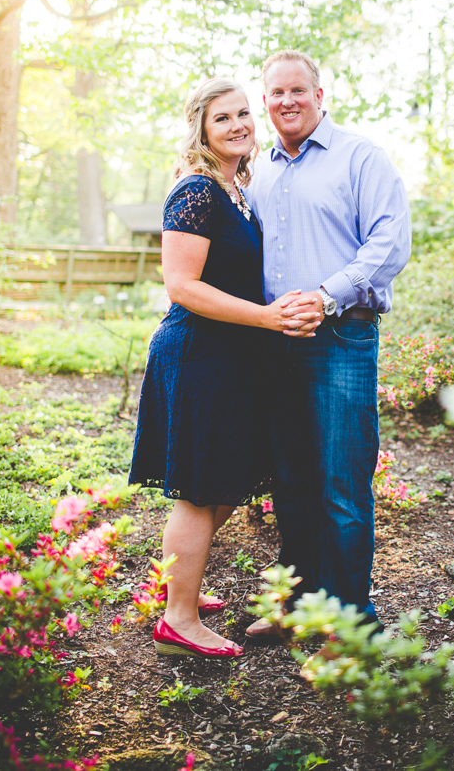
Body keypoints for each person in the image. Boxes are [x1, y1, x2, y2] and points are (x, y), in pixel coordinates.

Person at [128, 77, 323, 659]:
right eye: (223, 118)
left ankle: (180, 585)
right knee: (199, 489)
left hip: (232, 357)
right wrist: (266, 318)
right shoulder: (195, 192)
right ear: (201, 130)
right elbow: (181, 285)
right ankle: (178, 620)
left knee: (225, 483)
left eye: (243, 114)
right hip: (198, 355)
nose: (238, 124)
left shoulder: (236, 188)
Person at [244, 50, 411, 638]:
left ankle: (350, 626)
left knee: (342, 482)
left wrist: (325, 294)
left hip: (341, 335)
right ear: (264, 103)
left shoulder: (360, 158)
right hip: (275, 343)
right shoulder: (256, 169)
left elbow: (390, 243)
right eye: (275, 93)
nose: (286, 101)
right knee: (289, 482)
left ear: (320, 95)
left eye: (297, 90)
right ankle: (300, 606)